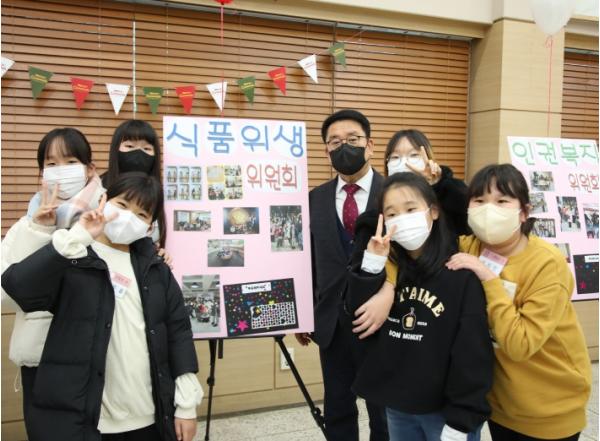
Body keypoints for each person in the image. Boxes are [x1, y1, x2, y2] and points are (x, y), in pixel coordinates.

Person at [2, 173, 202, 441]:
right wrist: (76, 236)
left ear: (149, 226)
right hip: (85, 419)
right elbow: (19, 288)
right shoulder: (74, 254)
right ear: (103, 200)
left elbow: (179, 334)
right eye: (122, 204)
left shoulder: (157, 269)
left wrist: (187, 406)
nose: (128, 217)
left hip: (148, 416)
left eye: (141, 214)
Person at [445, 164, 591, 441]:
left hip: (549, 409)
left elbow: (520, 344)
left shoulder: (546, 264)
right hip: (499, 405)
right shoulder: (469, 247)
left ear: (524, 212)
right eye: (479, 201)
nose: (488, 210)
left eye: (502, 201)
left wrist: (489, 279)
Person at [347, 172, 494, 441]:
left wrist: (462, 420)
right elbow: (357, 317)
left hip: (446, 413)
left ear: (433, 211)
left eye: (411, 209)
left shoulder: (459, 273)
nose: (402, 219)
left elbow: (472, 355)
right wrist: (372, 263)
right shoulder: (388, 270)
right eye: (391, 214)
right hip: (398, 406)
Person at [1, 128, 105, 439]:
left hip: (99, 355)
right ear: (41, 175)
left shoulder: (107, 219)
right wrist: (39, 232)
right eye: (51, 164)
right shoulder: (26, 225)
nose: (61, 170)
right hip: (42, 359)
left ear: (89, 169)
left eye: (70, 161)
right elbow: (6, 294)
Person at [296, 109, 388, 441]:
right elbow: (306, 261)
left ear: (370, 145)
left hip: (382, 321)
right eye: (335, 142)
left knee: (384, 413)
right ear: (326, 151)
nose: (343, 147)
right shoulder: (314, 199)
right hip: (331, 323)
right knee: (338, 410)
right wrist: (303, 313)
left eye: (352, 139)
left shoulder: (394, 194)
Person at [350, 129, 470, 340]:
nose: (404, 162)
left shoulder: (445, 206)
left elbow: (468, 216)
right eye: (395, 157)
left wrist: (440, 181)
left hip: (444, 320)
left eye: (413, 155)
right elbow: (359, 285)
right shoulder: (373, 221)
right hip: (393, 329)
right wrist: (388, 285)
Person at [102, 119, 167, 248]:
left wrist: (157, 252)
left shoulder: (156, 194)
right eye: (130, 146)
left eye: (146, 148)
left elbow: (155, 240)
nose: (138, 153)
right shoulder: (98, 188)